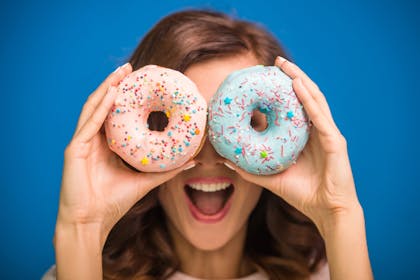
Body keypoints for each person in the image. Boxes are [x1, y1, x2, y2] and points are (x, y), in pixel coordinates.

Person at [44, 10, 373, 280]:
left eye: (241, 123)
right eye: (188, 126)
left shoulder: (332, 274)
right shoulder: (79, 269)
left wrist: (340, 215)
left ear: (293, 146)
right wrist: (82, 229)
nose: (209, 155)